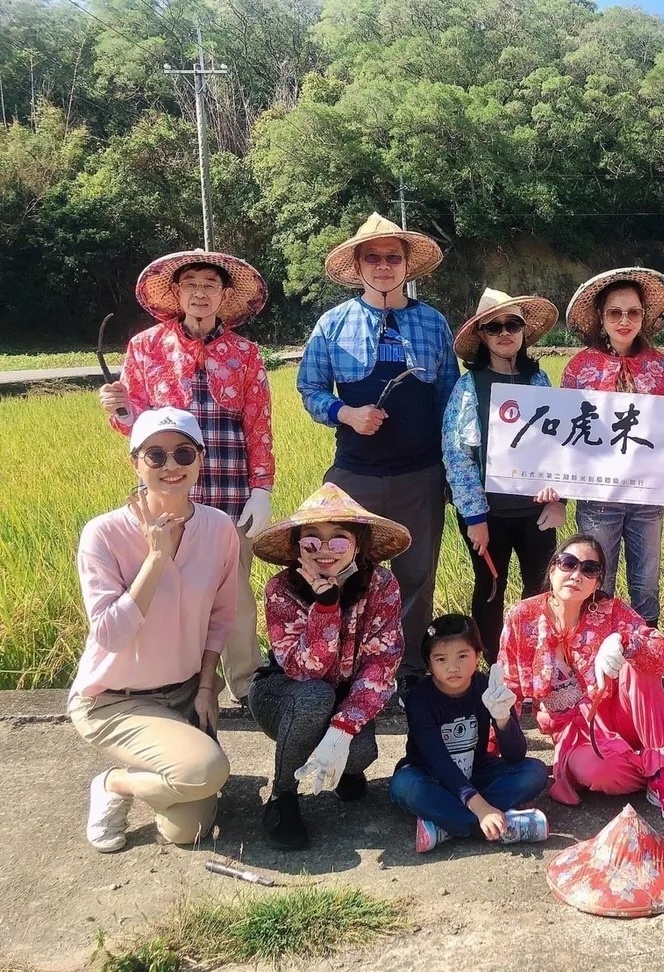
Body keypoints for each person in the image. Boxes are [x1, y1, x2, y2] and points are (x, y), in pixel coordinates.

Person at [98, 250, 274, 703]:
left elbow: (258, 423)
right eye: (191, 283)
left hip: (231, 487)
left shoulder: (246, 354)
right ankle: (175, 681)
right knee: (170, 588)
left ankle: (246, 686)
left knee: (235, 593)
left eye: (210, 284)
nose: (200, 292)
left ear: (224, 294)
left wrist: (262, 488)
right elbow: (135, 428)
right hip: (167, 490)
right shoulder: (145, 348)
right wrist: (119, 409)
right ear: (176, 292)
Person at [297, 213, 458, 690]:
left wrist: (453, 470)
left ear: (407, 265)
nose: (383, 266)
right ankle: (345, 667)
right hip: (354, 476)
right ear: (358, 265)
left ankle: (406, 672)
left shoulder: (432, 322)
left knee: (416, 576)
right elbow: (309, 388)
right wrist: (346, 413)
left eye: (393, 257)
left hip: (420, 474)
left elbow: (450, 399)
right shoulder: (332, 323)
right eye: (373, 257)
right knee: (344, 570)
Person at [69, 408, 237, 852]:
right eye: (155, 455)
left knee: (188, 832)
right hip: (114, 700)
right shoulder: (103, 534)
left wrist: (206, 687)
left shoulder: (218, 528)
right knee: (204, 771)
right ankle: (114, 784)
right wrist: (155, 558)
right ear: (135, 462)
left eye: (183, 453)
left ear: (200, 458)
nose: (171, 466)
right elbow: (110, 634)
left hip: (184, 693)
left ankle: (171, 767)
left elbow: (221, 617)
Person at [497, 534, 664, 825]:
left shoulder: (612, 612)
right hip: (574, 732)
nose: (576, 575)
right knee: (598, 774)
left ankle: (663, 772)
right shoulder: (523, 617)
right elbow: (508, 686)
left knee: (639, 657)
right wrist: (490, 754)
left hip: (620, 716)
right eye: (568, 563)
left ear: (598, 582)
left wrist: (624, 641)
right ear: (552, 569)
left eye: (589, 569)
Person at [246, 483, 409, 850]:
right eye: (311, 541)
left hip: (343, 695)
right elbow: (304, 670)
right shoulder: (281, 589)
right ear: (297, 547)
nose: (324, 550)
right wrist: (325, 606)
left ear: (358, 545)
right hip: (284, 693)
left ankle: (339, 765)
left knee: (362, 754)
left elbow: (382, 664)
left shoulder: (381, 585)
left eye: (338, 540)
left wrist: (343, 731)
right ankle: (282, 795)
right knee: (315, 696)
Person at [443, 288, 565, 662]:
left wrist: (559, 499)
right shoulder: (469, 386)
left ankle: (535, 661)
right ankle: (496, 664)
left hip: (536, 510)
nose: (504, 333)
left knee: (541, 588)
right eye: (494, 327)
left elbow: (559, 444)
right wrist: (474, 517)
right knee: (491, 587)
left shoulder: (538, 380)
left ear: (524, 330)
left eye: (512, 324)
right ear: (482, 336)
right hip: (489, 513)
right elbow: (457, 456)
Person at [561, 268, 664, 627]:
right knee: (597, 580)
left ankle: (645, 650)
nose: (624, 321)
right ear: (601, 317)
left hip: (647, 494)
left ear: (643, 316)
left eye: (633, 312)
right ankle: (597, 649)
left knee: (646, 583)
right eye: (615, 312)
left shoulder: (658, 366)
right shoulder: (580, 367)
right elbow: (565, 435)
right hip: (599, 496)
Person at [390, 615, 550, 853]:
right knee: (405, 786)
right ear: (429, 663)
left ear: (478, 654)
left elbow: (515, 755)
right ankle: (491, 825)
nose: (452, 667)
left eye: (462, 656)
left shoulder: (488, 687)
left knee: (534, 772)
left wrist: (503, 719)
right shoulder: (419, 698)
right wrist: (482, 809)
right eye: (441, 659)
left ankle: (446, 823)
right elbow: (437, 761)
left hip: (476, 772)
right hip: (430, 776)